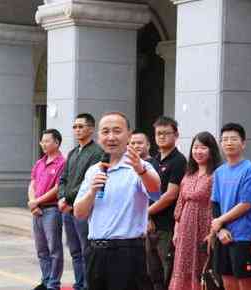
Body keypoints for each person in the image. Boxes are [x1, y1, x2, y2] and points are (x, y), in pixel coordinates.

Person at [74, 111, 161, 290]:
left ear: (129, 135)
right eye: (105, 132)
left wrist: (141, 170)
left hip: (126, 253)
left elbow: (155, 190)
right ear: (99, 137)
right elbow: (79, 213)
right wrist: (91, 192)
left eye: (117, 131)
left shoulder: (139, 166)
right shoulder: (93, 171)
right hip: (96, 253)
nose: (111, 137)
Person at [169, 131, 222, 290]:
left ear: (212, 150)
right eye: (195, 147)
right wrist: (176, 230)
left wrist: (213, 232)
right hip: (185, 229)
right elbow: (180, 204)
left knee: (203, 266)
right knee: (182, 267)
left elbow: (218, 205)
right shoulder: (188, 174)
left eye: (203, 148)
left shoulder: (216, 175)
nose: (198, 151)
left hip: (205, 227)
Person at [210, 123, 251, 290]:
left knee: (246, 284)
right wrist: (220, 230)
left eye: (233, 139)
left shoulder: (250, 169)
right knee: (227, 282)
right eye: (225, 139)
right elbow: (215, 202)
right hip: (223, 236)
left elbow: (246, 204)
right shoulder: (219, 172)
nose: (229, 143)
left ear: (243, 143)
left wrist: (219, 222)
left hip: (244, 237)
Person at [58, 113, 103, 290]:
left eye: (81, 126)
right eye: (75, 127)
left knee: (86, 251)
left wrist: (68, 199)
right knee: (75, 251)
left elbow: (89, 182)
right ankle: (78, 283)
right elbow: (63, 179)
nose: (77, 130)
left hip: (83, 209)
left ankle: (87, 285)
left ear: (91, 129)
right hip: (67, 209)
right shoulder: (72, 152)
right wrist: (62, 197)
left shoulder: (97, 153)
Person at [146, 116, 187, 290]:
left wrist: (146, 213)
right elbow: (146, 192)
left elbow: (171, 195)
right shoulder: (152, 161)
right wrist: (146, 217)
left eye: (166, 133)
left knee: (168, 271)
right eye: (158, 133)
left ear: (176, 135)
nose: (161, 137)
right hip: (149, 226)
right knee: (151, 273)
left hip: (168, 226)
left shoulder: (179, 161)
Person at [28, 129, 66, 290]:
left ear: (56, 143)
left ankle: (53, 283)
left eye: (47, 141)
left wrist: (37, 201)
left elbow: (58, 188)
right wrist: (33, 203)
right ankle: (45, 280)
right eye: (42, 141)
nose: (43, 144)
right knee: (41, 249)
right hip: (36, 210)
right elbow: (32, 183)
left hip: (51, 210)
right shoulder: (39, 162)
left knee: (54, 249)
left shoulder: (62, 163)